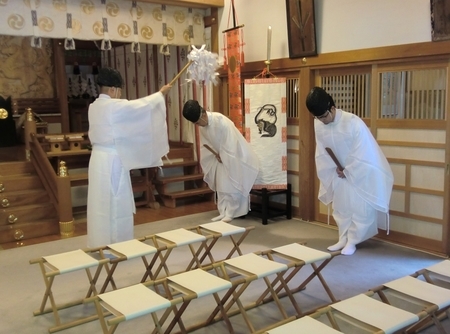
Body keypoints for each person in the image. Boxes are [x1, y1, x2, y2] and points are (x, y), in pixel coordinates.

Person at [87, 67, 171, 248]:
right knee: (116, 201)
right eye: (119, 91)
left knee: (99, 203)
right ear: (112, 89)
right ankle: (118, 245)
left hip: (97, 160)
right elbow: (141, 106)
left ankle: (99, 243)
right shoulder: (112, 106)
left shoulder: (93, 107)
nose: (119, 95)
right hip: (112, 161)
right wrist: (160, 94)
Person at [305, 87, 394, 255]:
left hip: (358, 172)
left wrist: (349, 169)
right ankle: (343, 237)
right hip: (337, 170)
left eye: (323, 116)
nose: (321, 121)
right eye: (317, 117)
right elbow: (322, 151)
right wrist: (334, 168)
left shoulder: (352, 122)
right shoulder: (319, 123)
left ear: (332, 108)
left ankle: (353, 241)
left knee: (360, 208)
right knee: (341, 206)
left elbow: (363, 150)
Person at [182, 100, 259, 223]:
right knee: (221, 185)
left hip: (234, 156)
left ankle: (232, 211)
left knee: (231, 185)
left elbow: (231, 142)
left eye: (198, 122)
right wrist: (216, 154)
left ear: (203, 114)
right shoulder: (203, 126)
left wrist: (223, 155)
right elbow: (206, 145)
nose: (198, 125)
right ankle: (223, 211)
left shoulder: (220, 121)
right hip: (220, 157)